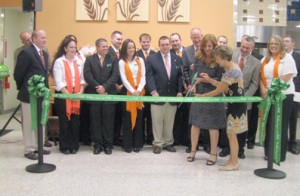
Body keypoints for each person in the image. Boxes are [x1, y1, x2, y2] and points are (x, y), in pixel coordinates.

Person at [195, 45, 248, 171]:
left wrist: (202, 96)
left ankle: (234, 162)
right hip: (235, 104)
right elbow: (224, 86)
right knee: (231, 134)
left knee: (231, 134)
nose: (217, 62)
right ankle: (232, 160)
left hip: (236, 107)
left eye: (218, 59)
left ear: (225, 58)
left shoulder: (231, 72)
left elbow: (219, 90)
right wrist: (210, 81)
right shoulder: (233, 67)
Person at [186, 34, 226, 165]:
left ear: (215, 46)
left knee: (213, 126)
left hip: (214, 95)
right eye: (205, 46)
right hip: (199, 95)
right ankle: (193, 151)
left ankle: (213, 154)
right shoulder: (198, 57)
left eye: (210, 46)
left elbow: (222, 82)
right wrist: (195, 83)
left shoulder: (219, 60)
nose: (207, 49)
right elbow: (195, 75)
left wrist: (208, 79)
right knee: (195, 124)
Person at [13, 29, 50, 160]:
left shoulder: (44, 54)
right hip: (29, 94)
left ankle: (39, 146)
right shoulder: (26, 53)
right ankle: (29, 149)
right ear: (34, 39)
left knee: (41, 120)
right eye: (42, 37)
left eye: (45, 37)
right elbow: (18, 74)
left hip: (41, 94)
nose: (45, 40)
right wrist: (23, 88)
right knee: (29, 122)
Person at [261, 35, 297, 162]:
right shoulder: (265, 60)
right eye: (271, 44)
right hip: (268, 96)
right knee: (269, 124)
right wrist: (264, 90)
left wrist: (271, 90)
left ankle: (279, 154)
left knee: (280, 125)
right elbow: (261, 77)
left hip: (283, 95)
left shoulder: (287, 58)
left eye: (276, 43)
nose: (273, 46)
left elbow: (287, 76)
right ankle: (268, 152)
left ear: (280, 45)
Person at [146, 36, 183, 154]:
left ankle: (168, 142)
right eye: (162, 45)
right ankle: (158, 143)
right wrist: (153, 91)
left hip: (172, 96)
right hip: (158, 95)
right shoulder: (152, 59)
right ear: (159, 45)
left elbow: (179, 77)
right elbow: (149, 76)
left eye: (167, 44)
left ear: (170, 45)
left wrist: (180, 91)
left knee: (169, 121)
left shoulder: (177, 58)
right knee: (157, 121)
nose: (165, 46)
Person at [84, 38, 119, 155]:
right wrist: (98, 87)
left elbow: (115, 75)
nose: (105, 48)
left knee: (108, 121)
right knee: (95, 121)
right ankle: (97, 145)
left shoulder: (113, 59)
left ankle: (108, 145)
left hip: (109, 95)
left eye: (106, 46)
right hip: (95, 95)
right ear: (97, 47)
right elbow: (87, 75)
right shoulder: (89, 60)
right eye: (103, 46)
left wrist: (105, 87)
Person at [52, 37, 86, 154]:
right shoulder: (59, 62)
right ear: (65, 48)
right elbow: (59, 82)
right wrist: (68, 95)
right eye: (70, 47)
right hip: (63, 95)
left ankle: (74, 145)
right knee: (65, 122)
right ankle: (64, 146)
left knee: (75, 122)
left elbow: (83, 79)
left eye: (74, 47)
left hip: (77, 94)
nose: (73, 49)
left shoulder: (80, 61)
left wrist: (80, 92)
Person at [231, 35, 261, 158]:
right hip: (230, 96)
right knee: (230, 125)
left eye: (247, 48)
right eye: (243, 46)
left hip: (245, 98)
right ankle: (228, 148)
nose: (244, 49)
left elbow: (255, 83)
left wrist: (245, 97)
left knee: (242, 126)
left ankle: (240, 150)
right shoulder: (231, 56)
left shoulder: (256, 63)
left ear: (252, 49)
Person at [119, 39, 146, 153]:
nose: (131, 50)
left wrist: (139, 90)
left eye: (133, 47)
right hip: (128, 94)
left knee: (139, 119)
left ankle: (137, 144)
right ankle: (127, 145)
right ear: (125, 49)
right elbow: (124, 79)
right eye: (129, 48)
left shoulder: (140, 60)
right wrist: (132, 90)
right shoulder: (121, 62)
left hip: (140, 93)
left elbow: (143, 76)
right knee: (128, 120)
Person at [182, 27, 204, 153]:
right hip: (192, 88)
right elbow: (184, 69)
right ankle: (192, 144)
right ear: (191, 38)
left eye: (198, 37)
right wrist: (187, 83)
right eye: (194, 37)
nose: (196, 39)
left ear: (202, 35)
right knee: (192, 116)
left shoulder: (208, 49)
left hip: (206, 89)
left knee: (205, 115)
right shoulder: (186, 50)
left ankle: (205, 143)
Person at [136, 33, 156, 145]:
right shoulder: (136, 54)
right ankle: (140, 138)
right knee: (141, 115)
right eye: (144, 42)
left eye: (148, 42)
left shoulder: (155, 54)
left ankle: (150, 137)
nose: (146, 43)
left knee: (151, 116)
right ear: (140, 42)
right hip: (140, 90)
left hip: (152, 91)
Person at [283, 35, 300, 155]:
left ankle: (292, 143)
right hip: (281, 91)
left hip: (295, 91)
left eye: (287, 41)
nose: (285, 43)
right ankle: (282, 142)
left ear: (293, 43)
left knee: (293, 117)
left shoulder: (297, 57)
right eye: (283, 41)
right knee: (282, 117)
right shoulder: (279, 57)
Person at [108, 31, 124, 146]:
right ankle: (110, 139)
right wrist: (115, 85)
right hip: (111, 88)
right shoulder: (107, 52)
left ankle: (117, 137)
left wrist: (122, 85)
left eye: (121, 39)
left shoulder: (122, 52)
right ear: (112, 39)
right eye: (118, 39)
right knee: (111, 116)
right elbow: (107, 73)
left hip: (122, 89)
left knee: (119, 115)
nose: (120, 41)